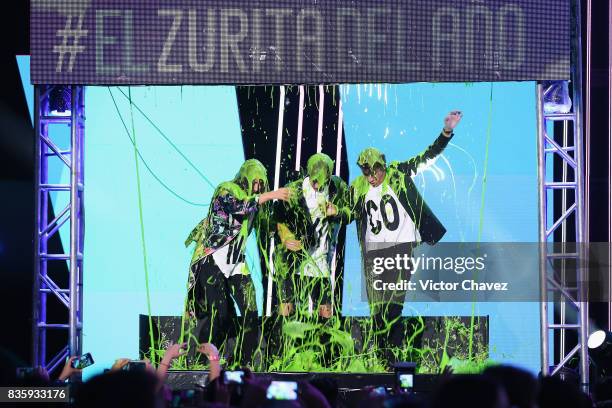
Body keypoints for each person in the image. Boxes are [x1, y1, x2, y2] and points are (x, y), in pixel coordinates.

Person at [350, 111, 462, 366]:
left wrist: (446, 132)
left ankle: (392, 353)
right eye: (366, 173)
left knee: (394, 306)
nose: (371, 178)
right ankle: (381, 357)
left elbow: (427, 156)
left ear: (382, 166)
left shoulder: (398, 173)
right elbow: (347, 210)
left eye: (374, 172)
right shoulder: (359, 186)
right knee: (377, 310)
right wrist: (335, 211)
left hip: (400, 250)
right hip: (373, 254)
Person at [183, 159, 289, 367]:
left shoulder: (255, 201)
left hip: (235, 263)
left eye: (261, 184)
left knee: (251, 311)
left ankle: (247, 362)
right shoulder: (226, 189)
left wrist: (283, 233)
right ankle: (199, 361)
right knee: (219, 315)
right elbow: (237, 207)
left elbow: (264, 224)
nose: (257, 187)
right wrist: (268, 195)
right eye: (255, 182)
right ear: (246, 177)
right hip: (212, 259)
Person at [270, 153, 350, 365]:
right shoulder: (294, 189)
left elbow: (353, 212)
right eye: (314, 181)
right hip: (294, 262)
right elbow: (277, 219)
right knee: (290, 309)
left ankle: (325, 360)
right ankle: (284, 357)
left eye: (321, 181)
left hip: (321, 263)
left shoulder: (336, 188)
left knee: (325, 311)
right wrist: (285, 236)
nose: (317, 185)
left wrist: (338, 211)